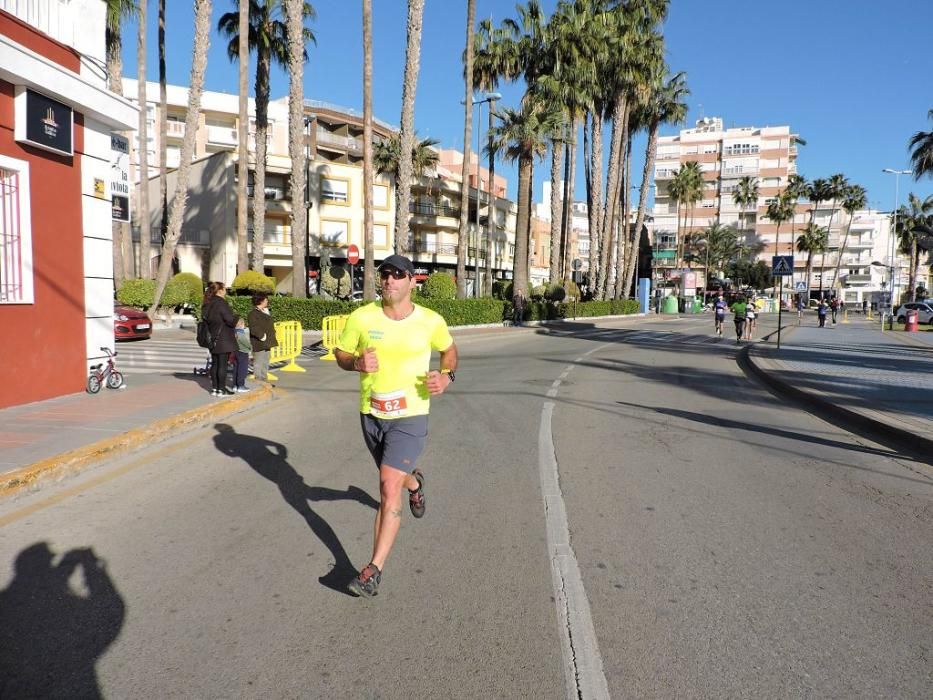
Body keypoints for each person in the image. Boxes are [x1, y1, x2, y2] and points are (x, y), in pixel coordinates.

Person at [334, 254, 458, 598]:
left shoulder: (430, 321)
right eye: (384, 274)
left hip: (411, 414)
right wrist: (355, 362)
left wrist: (447, 376)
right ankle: (415, 482)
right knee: (397, 479)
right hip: (371, 414)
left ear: (411, 282)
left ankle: (373, 570)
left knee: (388, 487)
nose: (389, 280)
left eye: (397, 275)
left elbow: (449, 352)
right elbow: (340, 354)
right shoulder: (361, 317)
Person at [201, 281, 239, 396]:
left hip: (212, 337)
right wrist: (236, 317)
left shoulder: (207, 302)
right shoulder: (221, 303)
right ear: (220, 290)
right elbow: (230, 320)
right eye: (225, 289)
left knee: (215, 363)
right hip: (223, 338)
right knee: (222, 364)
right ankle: (221, 389)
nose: (226, 291)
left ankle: (215, 389)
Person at [248, 292, 277, 382]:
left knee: (265, 363)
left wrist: (267, 314)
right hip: (259, 343)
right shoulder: (253, 314)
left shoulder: (265, 311)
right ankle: (259, 382)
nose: (267, 301)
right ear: (260, 301)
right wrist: (262, 336)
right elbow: (254, 328)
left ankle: (265, 381)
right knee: (258, 363)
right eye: (265, 299)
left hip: (267, 342)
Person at [233, 319, 251, 393]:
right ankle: (241, 385)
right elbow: (245, 342)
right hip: (243, 352)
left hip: (235, 351)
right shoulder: (240, 333)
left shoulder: (233, 332)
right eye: (244, 324)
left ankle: (235, 385)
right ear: (241, 325)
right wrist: (250, 347)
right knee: (242, 369)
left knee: (236, 368)